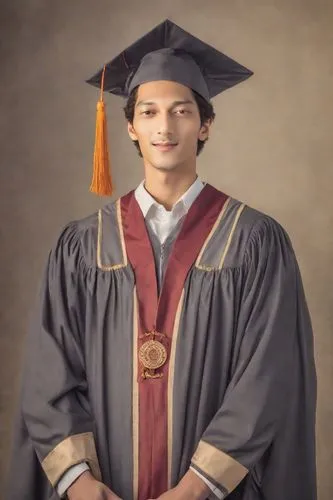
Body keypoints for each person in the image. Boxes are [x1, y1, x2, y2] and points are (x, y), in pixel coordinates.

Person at [6, 19, 317, 500]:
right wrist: (81, 484)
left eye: (181, 111)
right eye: (149, 112)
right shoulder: (82, 246)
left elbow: (267, 377)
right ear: (130, 126)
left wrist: (196, 488)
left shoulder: (255, 241)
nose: (164, 127)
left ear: (205, 123)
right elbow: (50, 371)